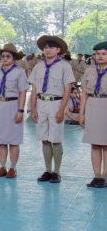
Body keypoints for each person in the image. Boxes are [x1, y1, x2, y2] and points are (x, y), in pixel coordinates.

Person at [29, 35, 75, 184]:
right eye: (45, 47)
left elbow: (67, 89)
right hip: (41, 103)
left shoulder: (64, 66)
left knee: (55, 139)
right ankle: (48, 170)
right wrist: (33, 108)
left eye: (51, 47)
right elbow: (34, 89)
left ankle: (57, 171)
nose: (47, 50)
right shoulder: (38, 66)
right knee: (44, 139)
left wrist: (62, 110)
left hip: (56, 103)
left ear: (58, 50)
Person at [0, 44, 29, 178]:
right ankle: (2, 167)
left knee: (14, 139)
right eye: (3, 56)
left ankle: (13, 168)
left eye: (8, 56)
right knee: (1, 139)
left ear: (14, 58)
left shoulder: (19, 72)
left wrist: (20, 110)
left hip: (13, 106)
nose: (4, 58)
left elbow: (22, 92)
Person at [79, 41, 107, 188]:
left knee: (106, 145)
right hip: (92, 105)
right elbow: (84, 93)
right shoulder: (89, 71)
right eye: (97, 54)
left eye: (103, 54)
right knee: (95, 144)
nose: (100, 56)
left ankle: (105, 176)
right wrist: (81, 113)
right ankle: (97, 176)